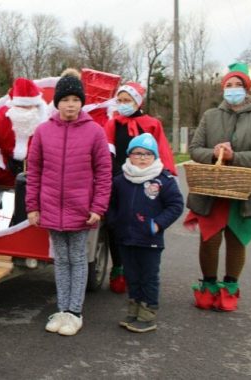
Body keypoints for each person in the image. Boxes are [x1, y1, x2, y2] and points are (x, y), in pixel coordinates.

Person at [25, 71, 111, 336]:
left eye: (76, 99)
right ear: (57, 102)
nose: (70, 104)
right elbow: (34, 171)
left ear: (82, 102)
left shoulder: (95, 132)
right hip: (51, 207)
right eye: (66, 99)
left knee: (77, 258)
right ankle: (62, 310)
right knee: (60, 260)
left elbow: (104, 173)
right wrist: (32, 206)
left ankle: (75, 312)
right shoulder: (43, 131)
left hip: (80, 209)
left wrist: (98, 207)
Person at [185, 62, 251, 312]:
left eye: (238, 85)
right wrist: (214, 153)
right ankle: (208, 285)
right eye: (228, 85)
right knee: (209, 238)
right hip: (212, 189)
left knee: (236, 238)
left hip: (244, 190)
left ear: (247, 88)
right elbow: (195, 149)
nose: (232, 89)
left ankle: (230, 287)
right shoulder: (210, 116)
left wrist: (234, 156)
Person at [102, 82, 177, 295]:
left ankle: (143, 271)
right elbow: (108, 152)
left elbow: (161, 151)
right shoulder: (112, 123)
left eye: (128, 100)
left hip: (148, 179)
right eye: (121, 100)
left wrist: (165, 175)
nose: (124, 105)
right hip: (120, 179)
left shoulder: (152, 124)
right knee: (117, 225)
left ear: (138, 101)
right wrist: (117, 174)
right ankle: (119, 267)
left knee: (141, 222)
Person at [106, 133, 184, 333]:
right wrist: (115, 222)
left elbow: (175, 205)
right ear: (129, 155)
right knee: (132, 275)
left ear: (155, 156)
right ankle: (134, 308)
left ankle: (148, 313)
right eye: (137, 153)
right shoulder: (120, 180)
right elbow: (111, 205)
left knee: (148, 276)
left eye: (147, 154)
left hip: (150, 240)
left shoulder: (163, 180)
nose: (141, 158)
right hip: (125, 237)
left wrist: (157, 224)